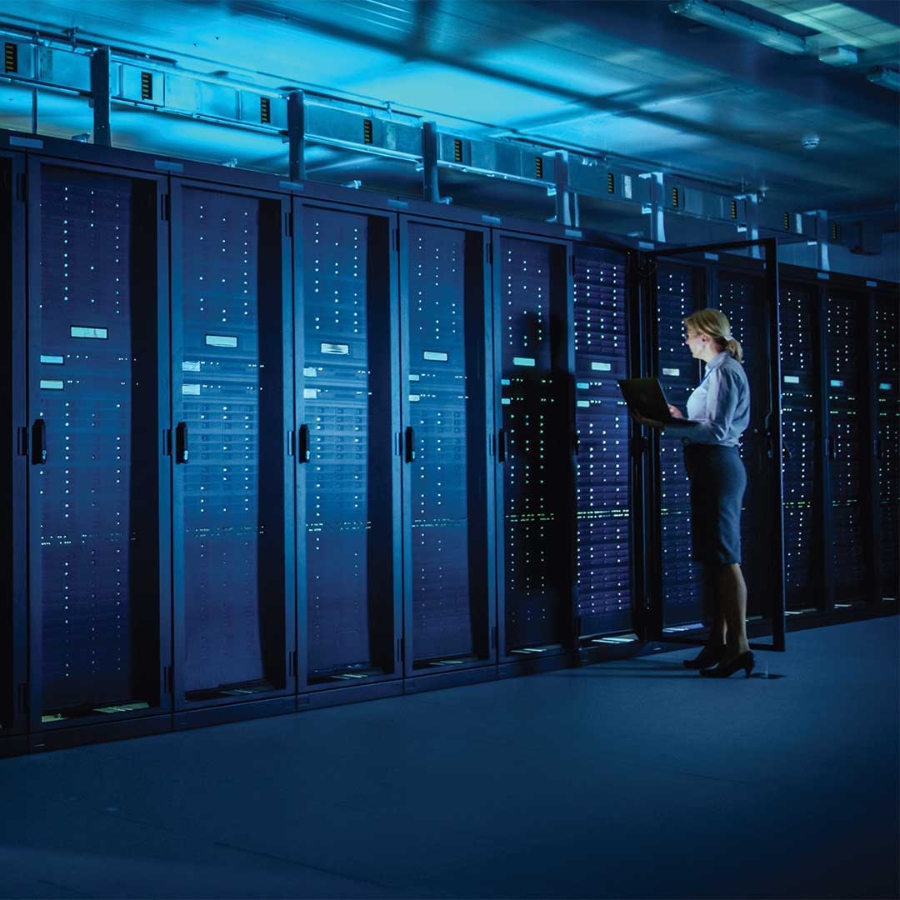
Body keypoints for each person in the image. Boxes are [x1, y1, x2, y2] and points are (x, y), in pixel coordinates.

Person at [635, 308, 754, 678]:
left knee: (724, 556)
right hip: (708, 466)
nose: (685, 341)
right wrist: (677, 417)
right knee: (714, 557)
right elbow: (708, 423)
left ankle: (739, 647)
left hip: (718, 465)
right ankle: (718, 642)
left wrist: (664, 425)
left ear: (705, 336)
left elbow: (717, 431)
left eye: (688, 335)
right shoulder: (715, 372)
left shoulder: (724, 371)